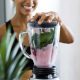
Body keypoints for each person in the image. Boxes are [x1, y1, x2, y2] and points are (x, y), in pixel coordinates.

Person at [0, 0, 74, 80]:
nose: (29, 1)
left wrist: (58, 20)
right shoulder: (3, 31)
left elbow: (70, 39)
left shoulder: (44, 25)